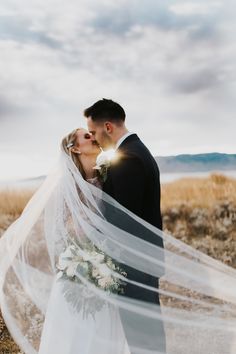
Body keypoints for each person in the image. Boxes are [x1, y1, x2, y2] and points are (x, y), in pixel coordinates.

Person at [85, 98, 166, 353]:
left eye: (95, 132)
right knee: (149, 333)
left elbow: (121, 221)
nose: (95, 139)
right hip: (143, 259)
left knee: (143, 337)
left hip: (133, 263)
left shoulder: (129, 159)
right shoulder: (137, 150)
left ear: (108, 127)